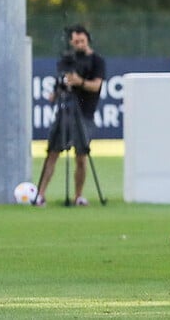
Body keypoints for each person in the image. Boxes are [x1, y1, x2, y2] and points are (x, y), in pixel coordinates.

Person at [34, 24, 106, 207]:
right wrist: (58, 91)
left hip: (84, 114)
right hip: (65, 112)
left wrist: (79, 82)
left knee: (81, 155)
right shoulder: (69, 60)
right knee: (52, 152)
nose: (79, 45)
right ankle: (41, 195)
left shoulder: (97, 61)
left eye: (81, 41)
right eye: (75, 42)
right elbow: (61, 81)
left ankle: (78, 196)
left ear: (88, 40)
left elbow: (96, 86)